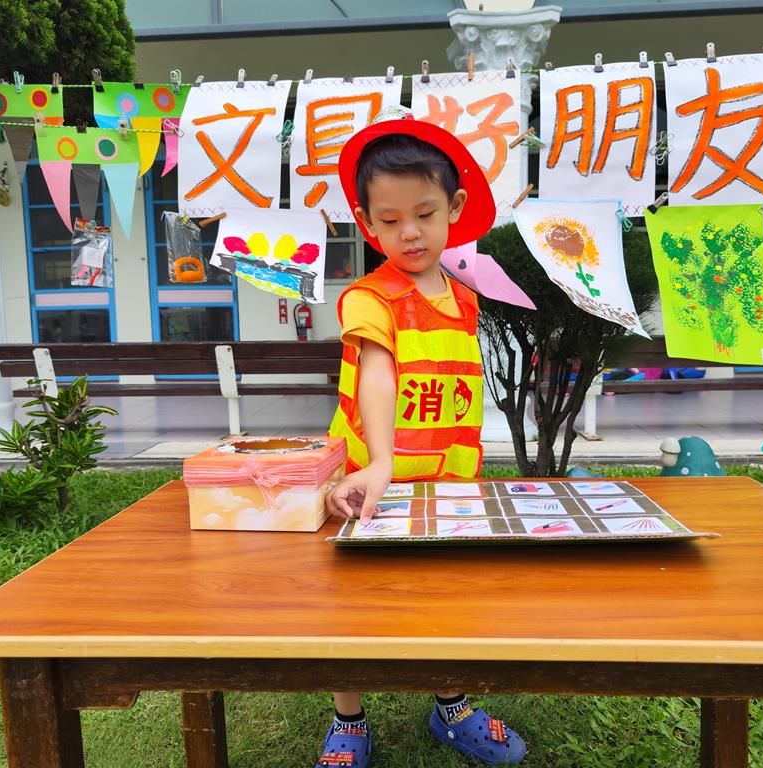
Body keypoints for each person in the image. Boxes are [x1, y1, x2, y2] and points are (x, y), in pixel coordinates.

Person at [319, 113, 527, 767]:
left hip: (446, 485)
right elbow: (378, 375)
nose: (408, 232)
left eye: (425, 214)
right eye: (389, 219)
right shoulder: (368, 298)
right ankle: (348, 720)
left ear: (454, 209)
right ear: (367, 222)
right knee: (351, 607)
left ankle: (452, 707)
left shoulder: (465, 300)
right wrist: (381, 462)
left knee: (447, 598)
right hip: (368, 485)